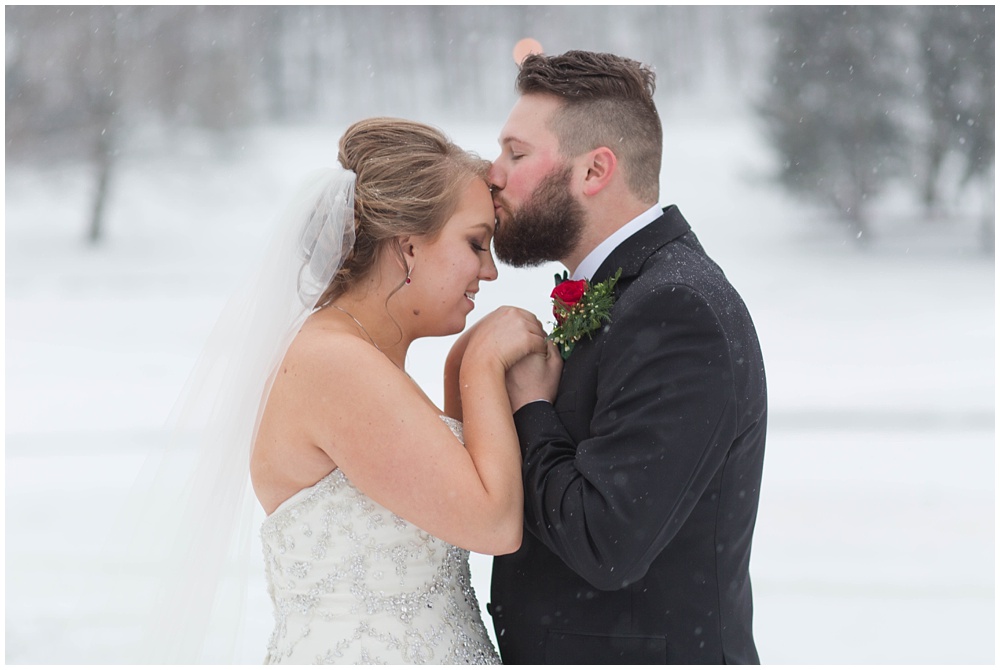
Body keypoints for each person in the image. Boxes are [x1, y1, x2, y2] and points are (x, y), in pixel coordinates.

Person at [125, 118, 558, 664]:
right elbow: (492, 523)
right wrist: (483, 365)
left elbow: (442, 499)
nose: (489, 271)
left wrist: (459, 369)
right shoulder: (332, 365)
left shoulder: (352, 358)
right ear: (408, 248)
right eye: (476, 243)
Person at [487, 50, 767, 664]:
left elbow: (606, 539)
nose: (493, 175)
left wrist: (532, 408)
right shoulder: (638, 293)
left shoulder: (677, 309)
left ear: (594, 171)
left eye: (516, 153)